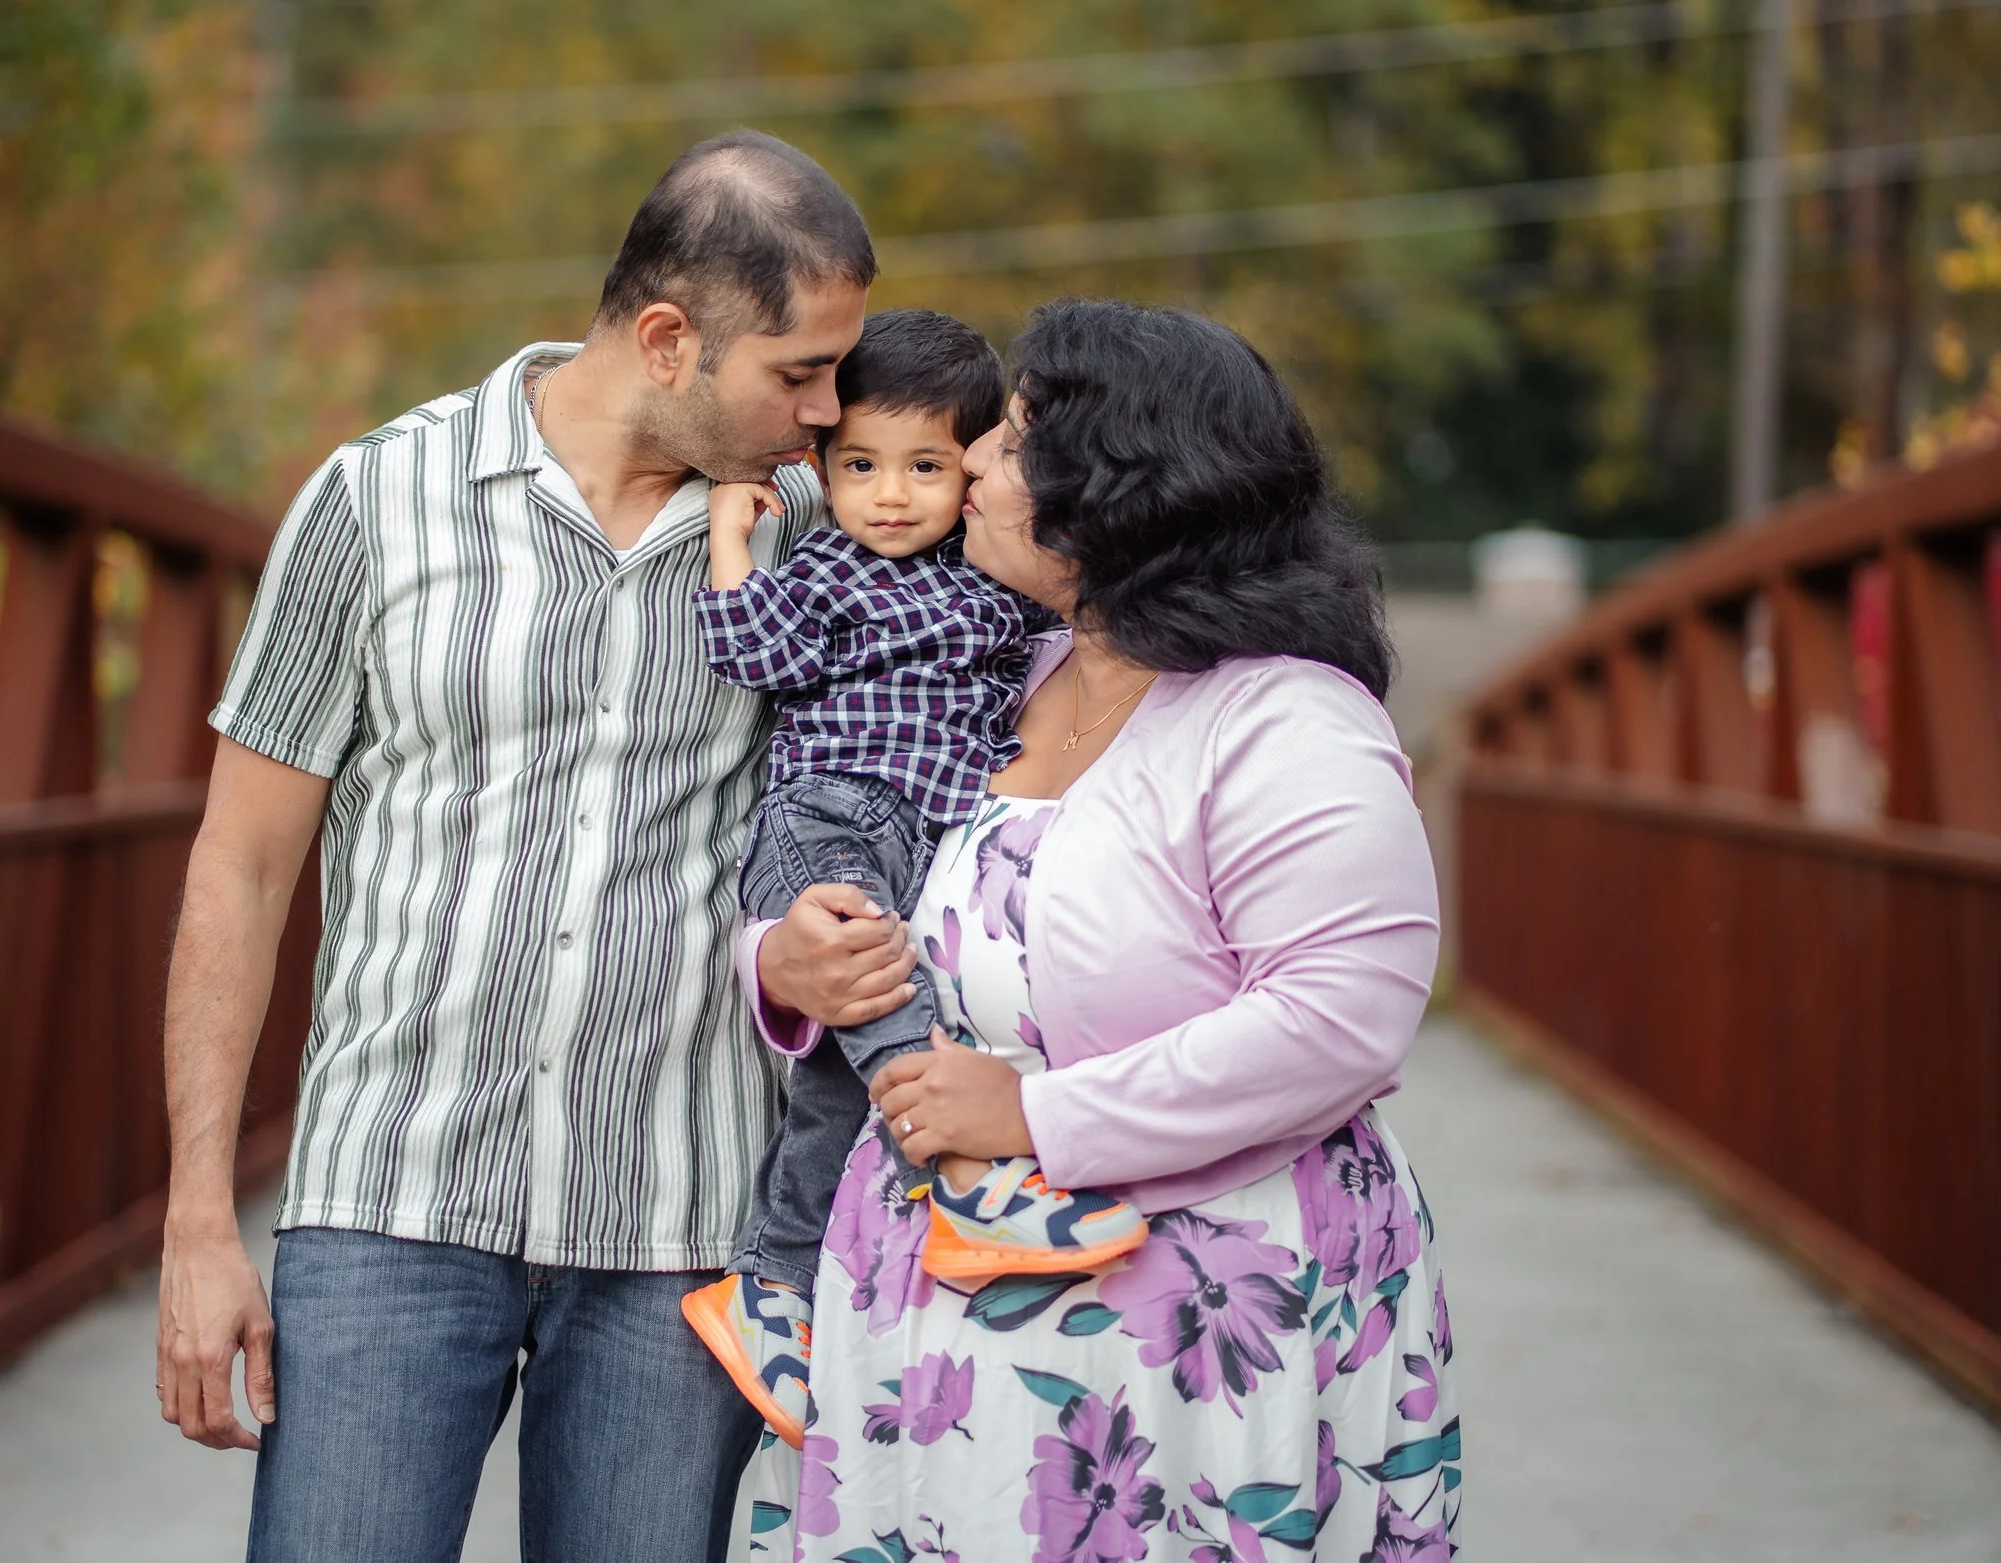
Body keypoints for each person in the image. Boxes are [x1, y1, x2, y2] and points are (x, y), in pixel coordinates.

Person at [150, 130, 916, 1563]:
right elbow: (239, 867)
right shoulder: (375, 499)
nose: (828, 414)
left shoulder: (822, 537)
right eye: (800, 373)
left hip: (680, 1221)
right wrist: (198, 1219)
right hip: (390, 1200)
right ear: (670, 340)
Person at [747, 299, 1462, 1559]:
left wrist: (1034, 1115)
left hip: (1190, 1318)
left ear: (1119, 491)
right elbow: (840, 853)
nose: (972, 459)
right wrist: (778, 961)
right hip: (934, 1308)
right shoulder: (997, 676)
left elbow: (1339, 1020)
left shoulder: (1285, 721)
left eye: (1014, 440)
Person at [679, 310, 1147, 1453]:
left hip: (925, 843)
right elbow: (752, 650)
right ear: (822, 468)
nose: (890, 496)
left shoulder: (994, 582)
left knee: (835, 1091)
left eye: (926, 468)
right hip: (828, 822)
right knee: (887, 991)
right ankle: (971, 1172)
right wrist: (734, 535)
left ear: (974, 467)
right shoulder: (829, 572)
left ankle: (770, 1286)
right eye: (860, 468)